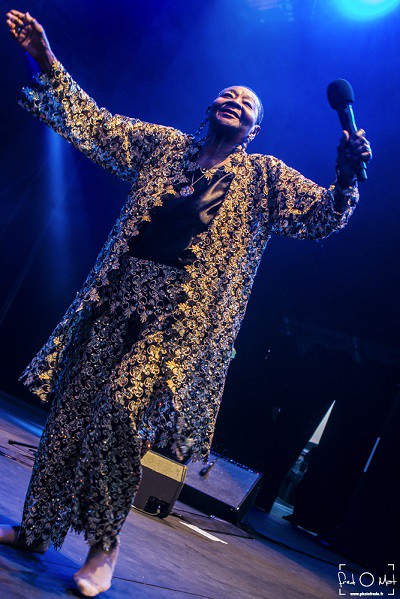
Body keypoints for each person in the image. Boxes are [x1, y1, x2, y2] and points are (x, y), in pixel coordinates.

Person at [2, 9, 372, 597]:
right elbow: (97, 124)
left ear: (254, 130)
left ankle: (103, 546)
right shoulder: (166, 148)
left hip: (177, 323)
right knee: (70, 415)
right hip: (115, 299)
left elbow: (323, 216)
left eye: (248, 103)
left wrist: (345, 179)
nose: (235, 101)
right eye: (228, 94)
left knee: (122, 413)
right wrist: (46, 58)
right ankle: (37, 529)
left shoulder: (265, 177)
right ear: (210, 108)